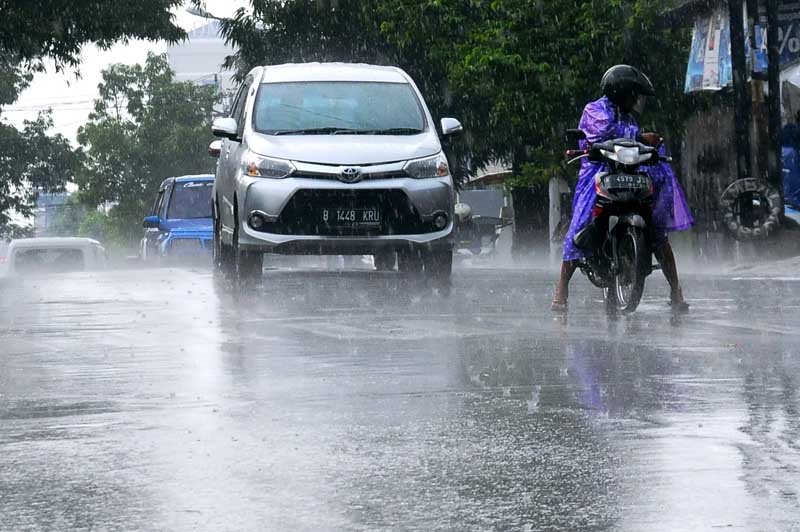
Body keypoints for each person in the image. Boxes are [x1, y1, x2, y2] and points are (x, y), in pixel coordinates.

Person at [551, 65, 694, 312]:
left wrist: (649, 145)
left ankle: (676, 290)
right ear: (619, 92)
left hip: (631, 174)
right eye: (632, 95)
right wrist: (636, 140)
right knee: (581, 222)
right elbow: (601, 136)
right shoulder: (594, 110)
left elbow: (633, 141)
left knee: (658, 232)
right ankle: (561, 290)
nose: (636, 101)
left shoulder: (629, 117)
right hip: (599, 173)